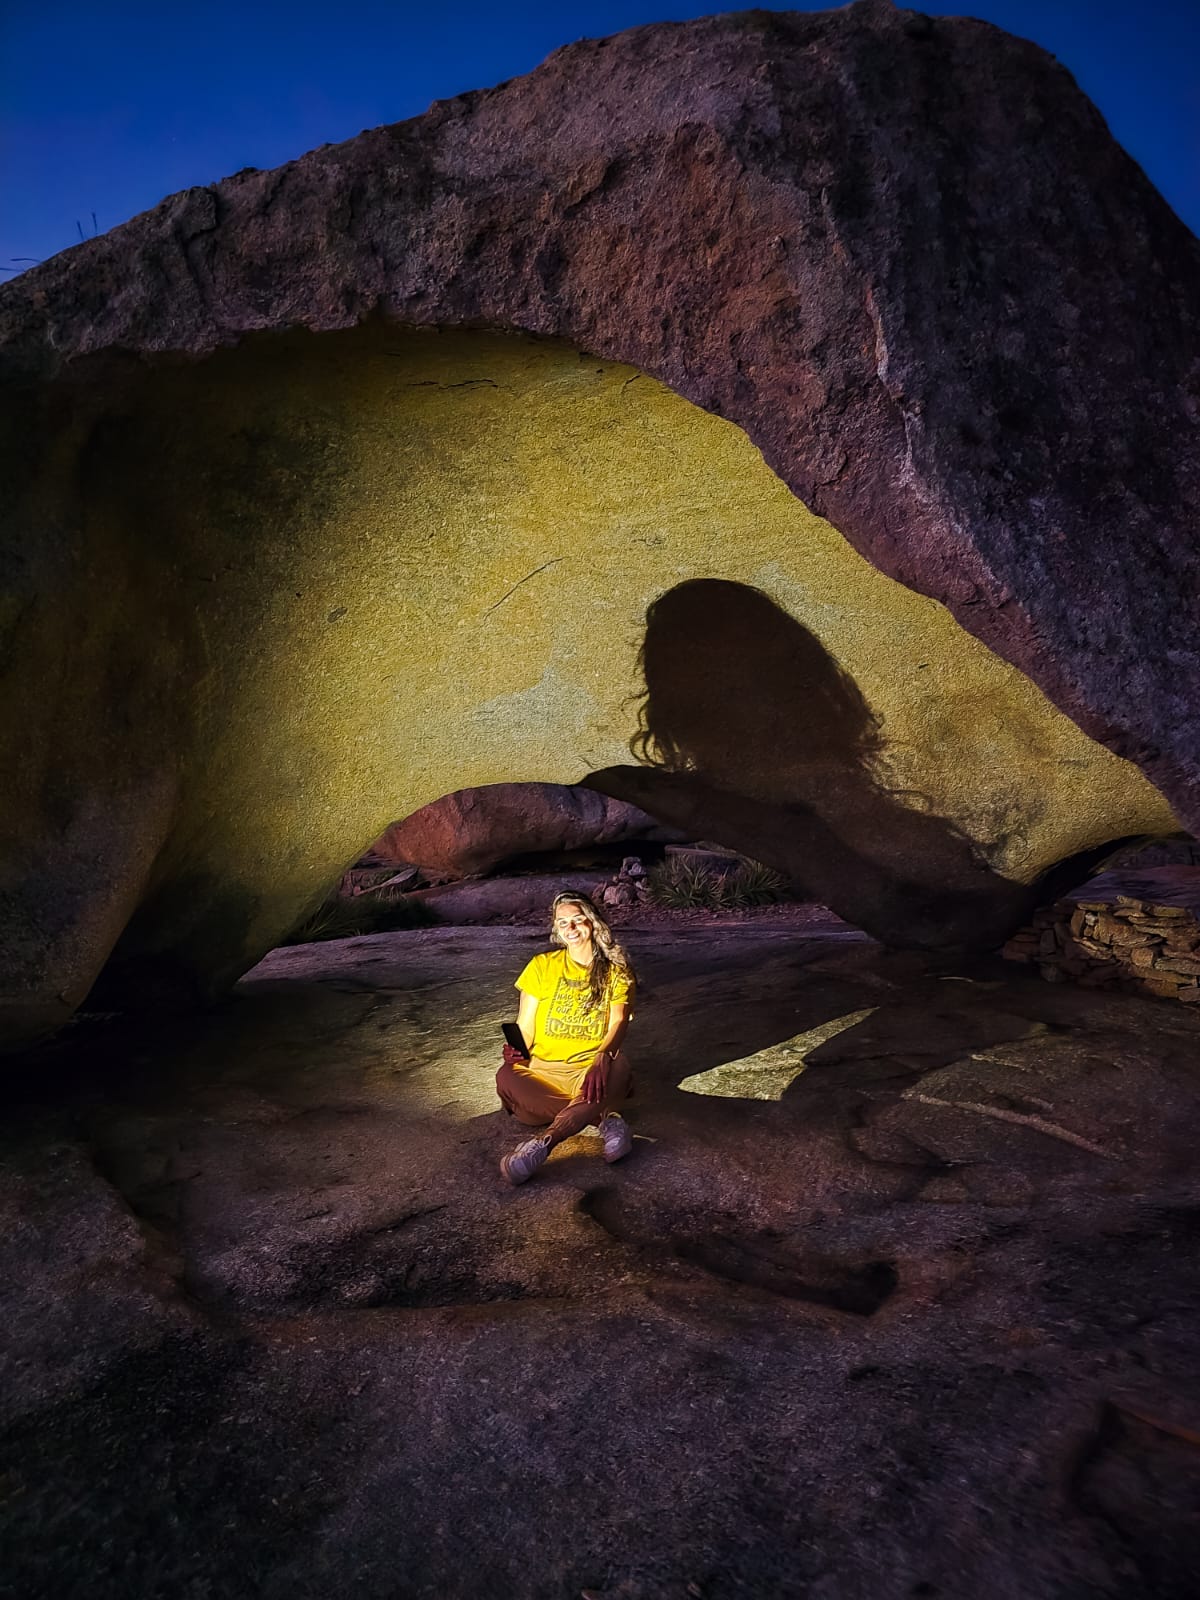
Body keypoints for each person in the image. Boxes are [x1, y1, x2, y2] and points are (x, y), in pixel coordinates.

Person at [496, 890, 637, 1185]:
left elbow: (619, 1021)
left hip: (592, 1071)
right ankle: (604, 1119)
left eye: (577, 920)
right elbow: (525, 1025)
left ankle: (544, 1143)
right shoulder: (541, 967)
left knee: (617, 1067)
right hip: (544, 1071)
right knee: (506, 1077)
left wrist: (602, 1057)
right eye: (563, 923)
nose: (570, 929)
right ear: (556, 930)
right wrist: (515, 1050)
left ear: (593, 922)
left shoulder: (617, 971)